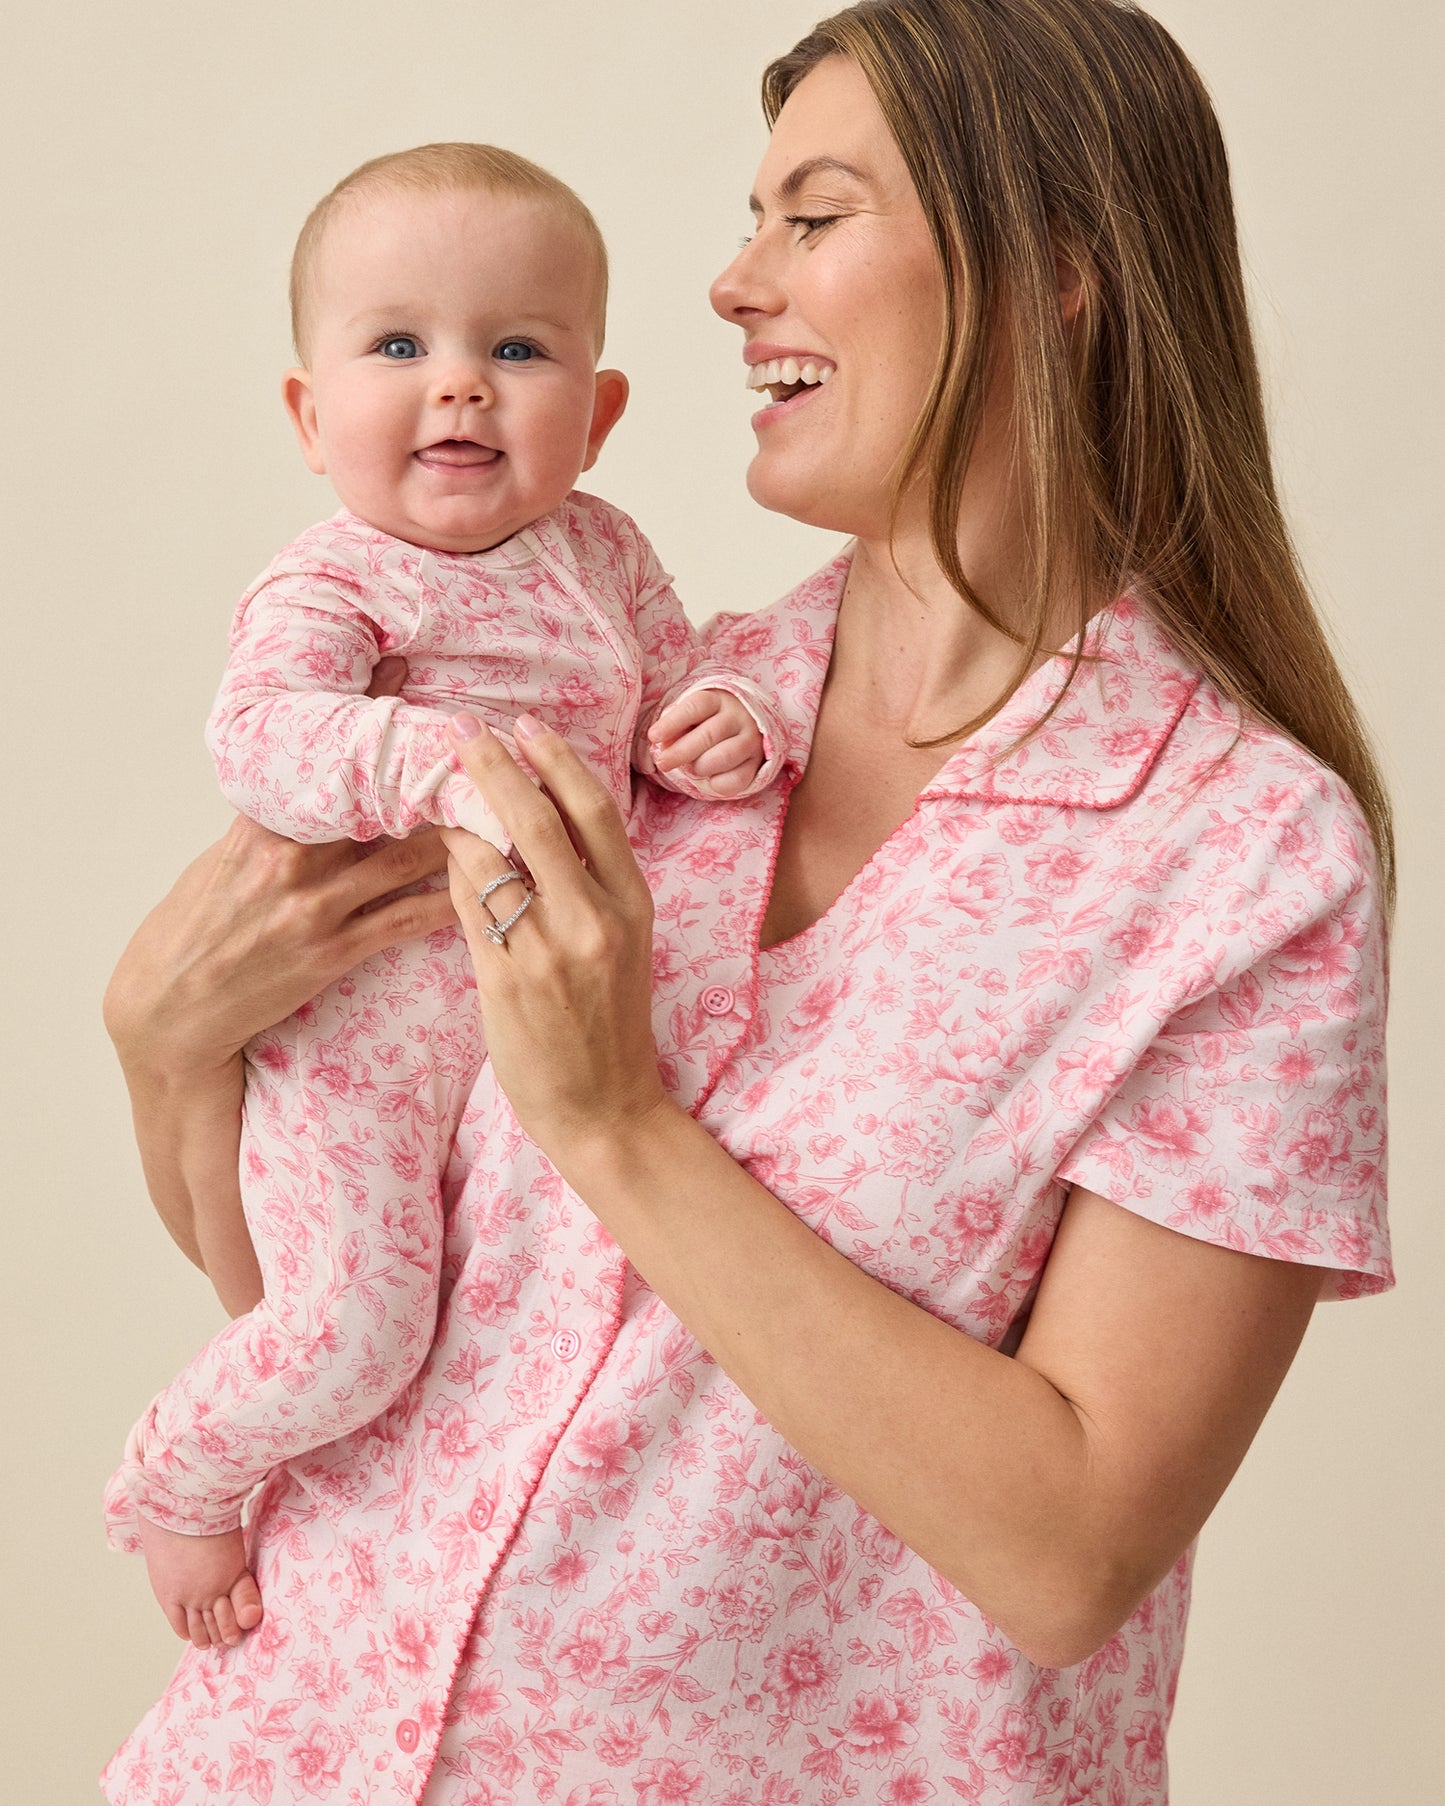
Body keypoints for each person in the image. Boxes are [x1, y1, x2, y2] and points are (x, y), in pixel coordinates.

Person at [99, 3, 1394, 1801]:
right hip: (286, 1748)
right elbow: (339, 1295)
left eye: (813, 213)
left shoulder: (1235, 858)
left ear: (1054, 271)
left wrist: (616, 1120)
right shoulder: (640, 726)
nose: (728, 282)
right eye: (751, 215)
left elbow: (1070, 1549)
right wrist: (164, 1052)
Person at [102, 142, 785, 1652]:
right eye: (399, 345)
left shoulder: (603, 552)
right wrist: (432, 760)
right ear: (309, 412)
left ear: (597, 417)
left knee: (496, 1338)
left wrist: (713, 718)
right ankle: (178, 1476)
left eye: (517, 347)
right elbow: (260, 735)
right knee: (349, 1332)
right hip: (349, 1050)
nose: (460, 384)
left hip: (519, 1057)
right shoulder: (336, 579)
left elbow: (667, 691)